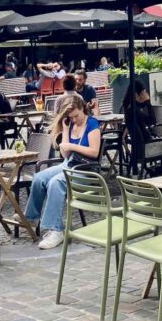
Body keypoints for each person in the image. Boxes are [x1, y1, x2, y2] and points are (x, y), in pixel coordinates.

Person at [25, 94, 101, 250]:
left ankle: (56, 230)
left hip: (85, 170)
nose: (74, 120)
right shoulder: (71, 124)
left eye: (76, 116)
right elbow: (66, 154)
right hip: (69, 163)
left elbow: (94, 152)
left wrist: (72, 147)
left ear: (83, 109)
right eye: (71, 117)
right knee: (39, 178)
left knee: (56, 182)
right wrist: (66, 130)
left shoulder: (92, 124)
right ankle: (31, 218)